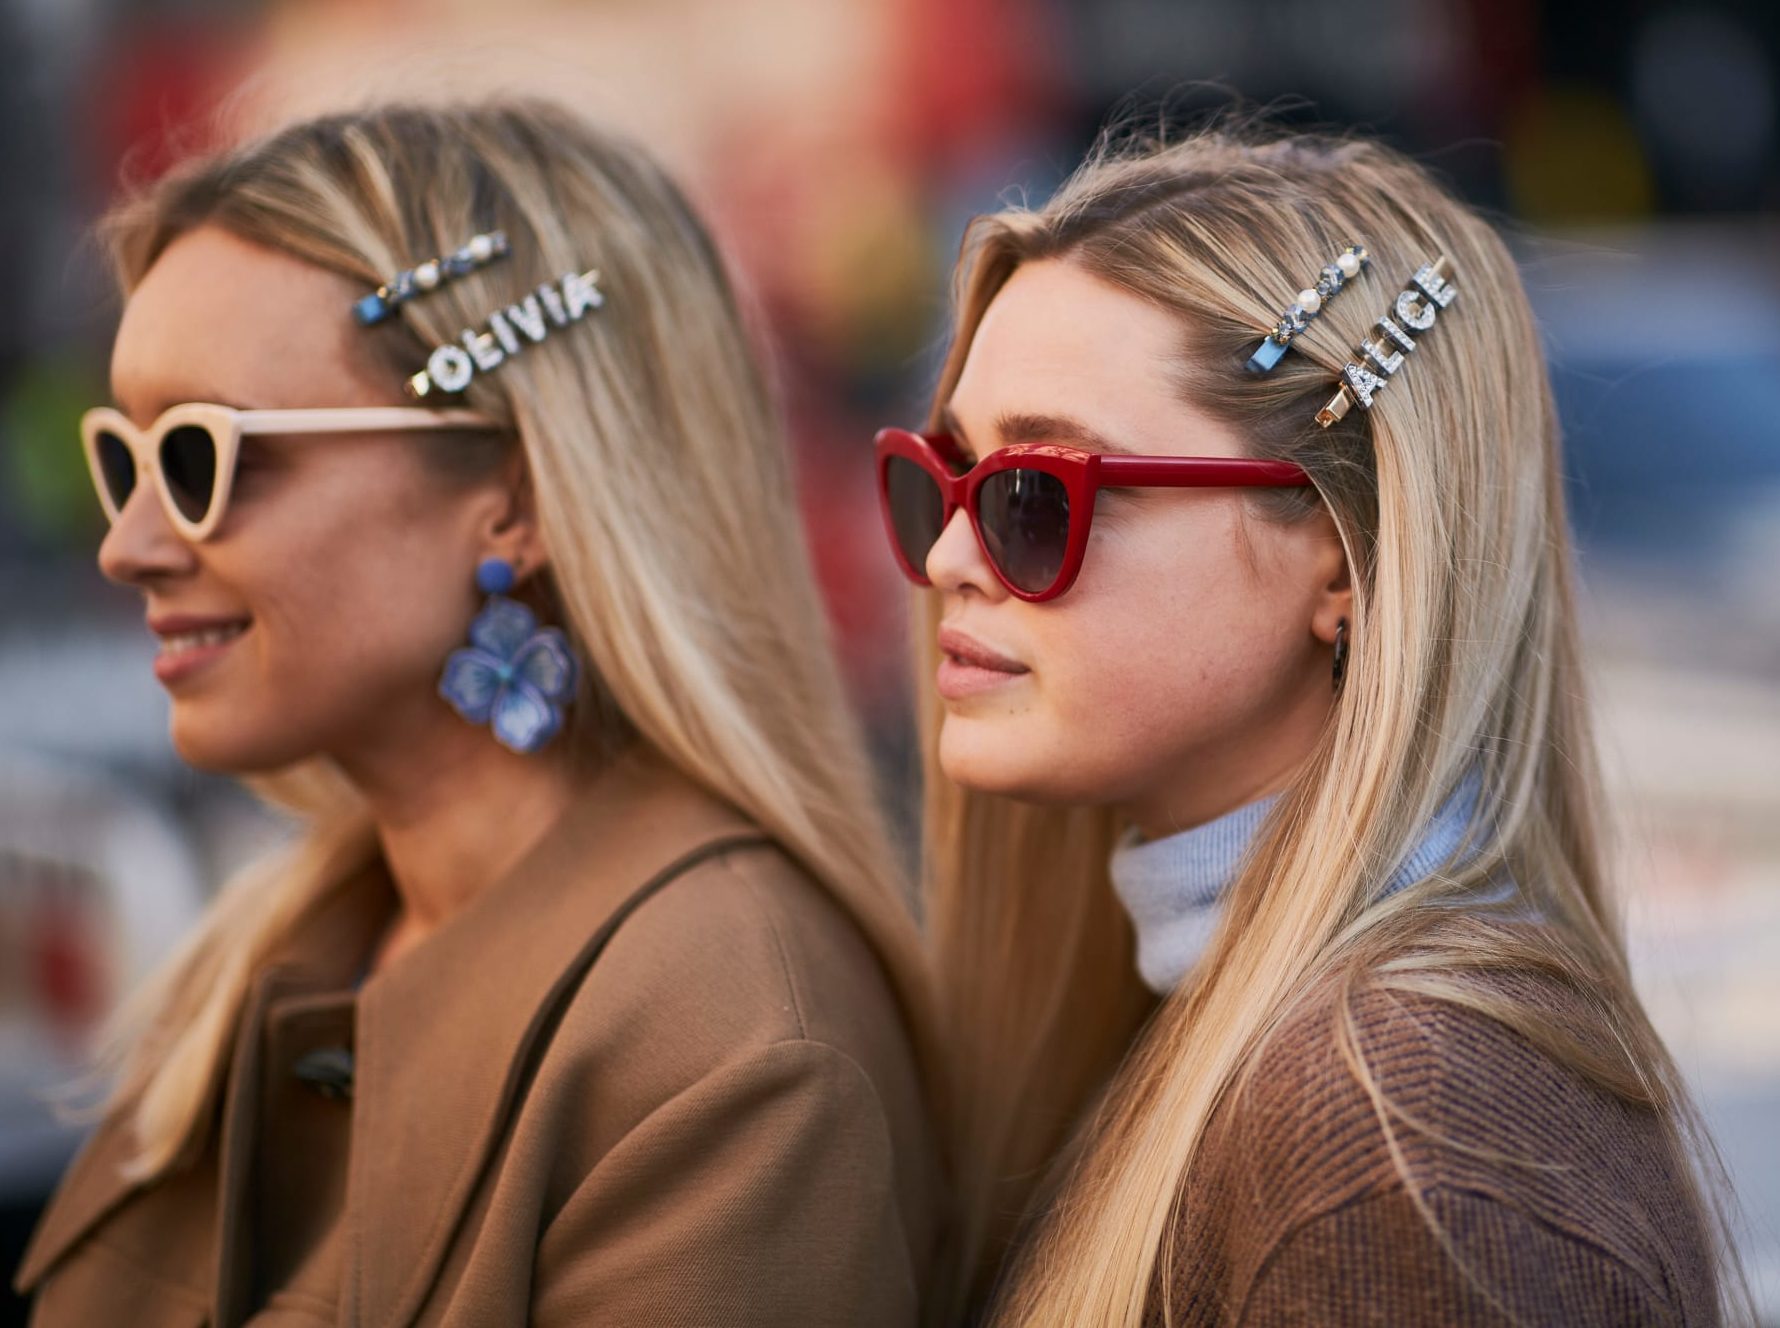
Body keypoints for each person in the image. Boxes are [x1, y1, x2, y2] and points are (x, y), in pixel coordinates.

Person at [17, 100, 941, 1326]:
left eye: (201, 458)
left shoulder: (729, 1041)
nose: (127, 546)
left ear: (514, 490)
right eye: (121, 457)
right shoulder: (278, 942)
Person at [876, 123, 1740, 1325]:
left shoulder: (1400, 1132)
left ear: (1339, 551)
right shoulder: (1265, 1030)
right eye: (943, 475)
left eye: (1037, 493)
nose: (946, 554)